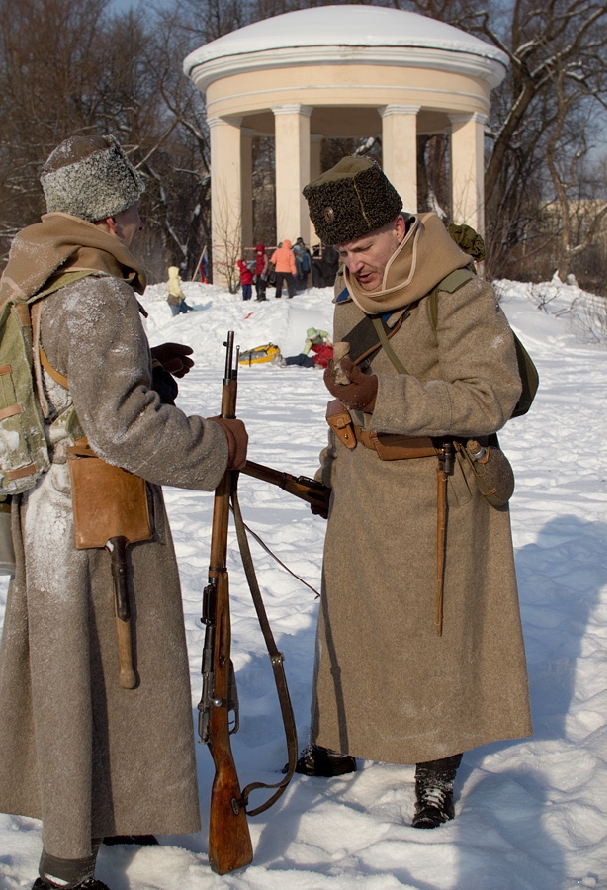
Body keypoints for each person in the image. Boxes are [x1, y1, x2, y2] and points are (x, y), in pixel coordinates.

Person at [0, 134, 248, 890]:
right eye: (132, 209)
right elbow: (121, 428)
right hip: (93, 518)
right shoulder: (96, 291)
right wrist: (215, 446)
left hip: (48, 516)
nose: (138, 223)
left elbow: (61, 396)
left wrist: (146, 371)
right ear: (106, 216)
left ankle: (101, 821)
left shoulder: (34, 281)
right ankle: (67, 871)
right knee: (86, 685)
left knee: (86, 680)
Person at [298, 156, 532, 829]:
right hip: (364, 478)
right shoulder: (349, 295)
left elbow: (490, 395)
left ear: (398, 228)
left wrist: (384, 395)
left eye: (363, 246)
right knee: (355, 619)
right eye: (343, 250)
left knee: (434, 629)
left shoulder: (456, 289)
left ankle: (435, 761)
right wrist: (328, 465)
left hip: (439, 486)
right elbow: (349, 385)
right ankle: (344, 738)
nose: (354, 262)